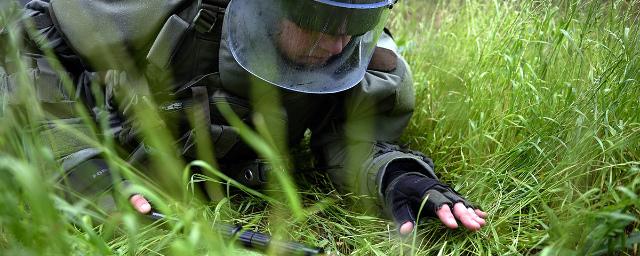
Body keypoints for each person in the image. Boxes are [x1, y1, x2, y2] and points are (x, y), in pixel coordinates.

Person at [3, 0, 487, 236]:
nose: (339, 43)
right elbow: (33, 45)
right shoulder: (143, 10)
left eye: (355, 24)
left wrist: (395, 177)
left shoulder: (354, 38)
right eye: (318, 21)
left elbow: (350, 135)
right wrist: (79, 167)